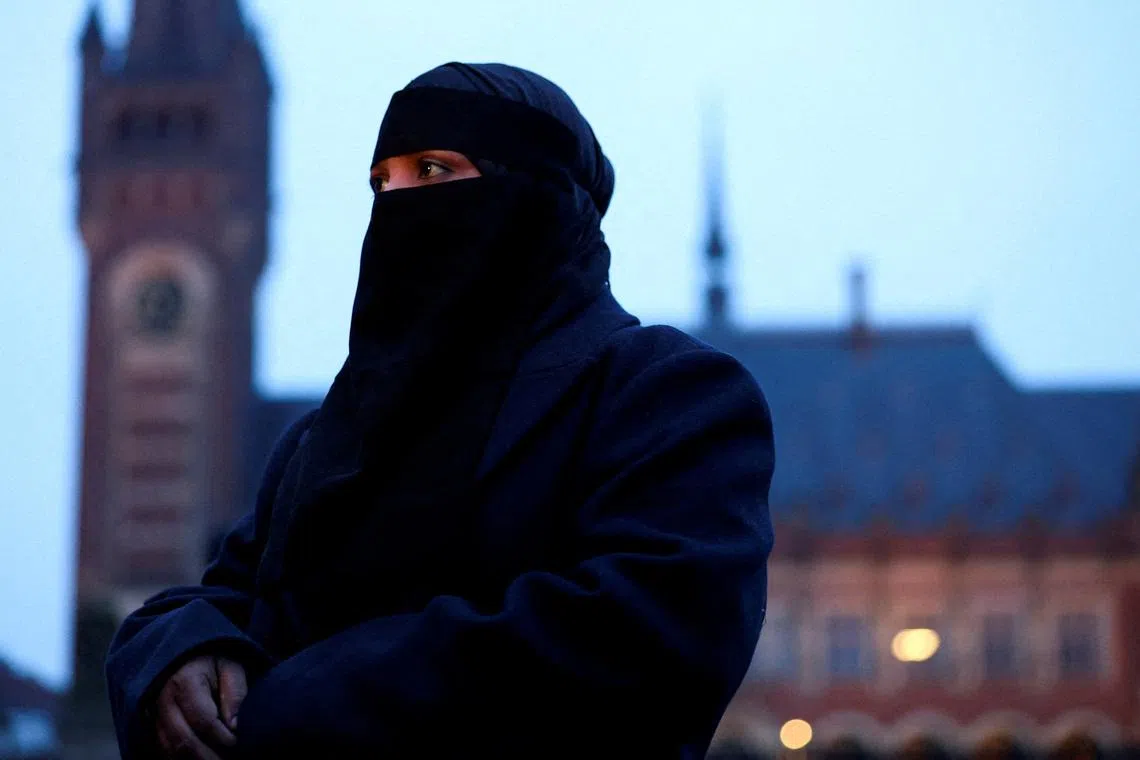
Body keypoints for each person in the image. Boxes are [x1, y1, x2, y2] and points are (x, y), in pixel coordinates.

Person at [105, 62, 775, 759]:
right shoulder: (325, 436)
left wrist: (287, 702)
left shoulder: (665, 392)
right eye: (381, 182)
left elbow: (650, 636)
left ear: (536, 195)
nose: (398, 205)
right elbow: (216, 600)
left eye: (430, 170)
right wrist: (175, 661)